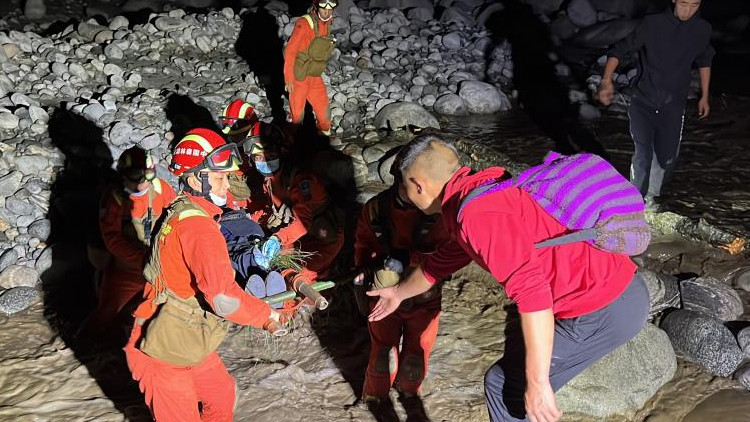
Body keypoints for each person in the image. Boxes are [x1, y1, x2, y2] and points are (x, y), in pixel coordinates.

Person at [367, 135, 649, 422]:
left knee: (504, 387)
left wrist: (537, 383)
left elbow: (533, 295)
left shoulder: (477, 215)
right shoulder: (483, 191)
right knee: (516, 367)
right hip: (619, 292)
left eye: (404, 187)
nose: (405, 196)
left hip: (603, 309)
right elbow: (438, 265)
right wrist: (398, 293)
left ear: (418, 185)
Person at [124, 128, 283, 422]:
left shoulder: (183, 208)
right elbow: (222, 299)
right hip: (161, 349)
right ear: (196, 179)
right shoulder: (199, 228)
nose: (227, 185)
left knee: (220, 394)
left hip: (184, 333)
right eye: (220, 178)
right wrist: (266, 316)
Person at [597, 0, 714, 211]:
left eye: (694, 5)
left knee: (668, 157)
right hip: (643, 100)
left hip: (673, 104)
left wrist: (704, 96)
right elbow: (619, 50)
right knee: (643, 153)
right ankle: (635, 200)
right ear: (674, 0)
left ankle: (651, 197)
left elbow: (705, 60)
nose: (687, 10)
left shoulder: (702, 29)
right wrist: (606, 81)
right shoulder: (652, 24)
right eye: (684, 3)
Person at [354, 165, 450, 418]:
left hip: (424, 296)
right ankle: (374, 401)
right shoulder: (375, 209)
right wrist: (363, 268)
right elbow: (363, 243)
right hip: (385, 292)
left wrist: (408, 259)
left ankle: (409, 394)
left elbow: (447, 253)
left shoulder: (438, 212)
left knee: (414, 360)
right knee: (383, 356)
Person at [81, 146, 176, 341]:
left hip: (159, 263)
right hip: (128, 268)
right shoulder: (114, 199)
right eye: (136, 176)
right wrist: (143, 259)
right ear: (124, 176)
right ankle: (84, 343)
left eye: (148, 176)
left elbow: (176, 220)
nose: (143, 182)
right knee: (106, 314)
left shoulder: (161, 188)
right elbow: (112, 239)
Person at [283, 0, 337, 135]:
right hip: (299, 78)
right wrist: (288, 78)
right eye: (323, 8)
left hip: (314, 75)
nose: (327, 12)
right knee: (297, 116)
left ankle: (323, 137)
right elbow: (290, 51)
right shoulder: (304, 23)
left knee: (325, 116)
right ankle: (291, 139)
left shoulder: (328, 23)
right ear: (316, 7)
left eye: (330, 9)